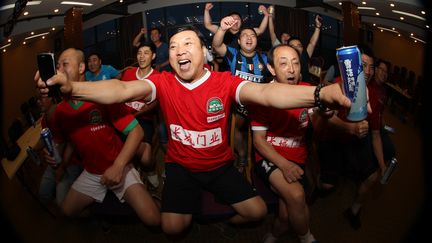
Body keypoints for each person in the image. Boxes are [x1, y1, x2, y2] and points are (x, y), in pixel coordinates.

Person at [37, 26, 351, 235]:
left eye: (187, 43)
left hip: (219, 166)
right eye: (173, 46)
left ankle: (220, 222)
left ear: (203, 52)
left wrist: (320, 94)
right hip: (180, 168)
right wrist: (72, 88)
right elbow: (119, 90)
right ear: (170, 58)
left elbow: (268, 94)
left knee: (255, 212)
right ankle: (187, 209)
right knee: (172, 227)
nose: (178, 49)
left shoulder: (224, 83)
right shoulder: (162, 82)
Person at [36, 48, 160, 227]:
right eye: (57, 66)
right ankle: (102, 215)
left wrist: (118, 166)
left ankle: (150, 197)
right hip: (92, 173)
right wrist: (52, 153)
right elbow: (62, 142)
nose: (60, 70)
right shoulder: (59, 112)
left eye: (65, 64)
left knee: (153, 220)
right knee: (67, 211)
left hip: (119, 166)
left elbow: (137, 132)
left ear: (81, 68)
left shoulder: (102, 97)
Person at [250, 45, 327, 243]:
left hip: (298, 157)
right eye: (283, 63)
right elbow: (258, 142)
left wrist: (324, 115)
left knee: (286, 215)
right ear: (272, 69)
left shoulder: (309, 92)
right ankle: (307, 238)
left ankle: (272, 235)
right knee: (296, 195)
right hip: (269, 156)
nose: (291, 69)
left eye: (295, 63)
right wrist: (284, 165)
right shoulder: (263, 95)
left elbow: (318, 130)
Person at [316, 45, 378, 230]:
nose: (367, 71)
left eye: (371, 67)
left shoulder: (371, 93)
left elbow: (374, 132)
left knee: (373, 176)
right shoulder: (337, 85)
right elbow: (327, 119)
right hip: (333, 139)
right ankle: (317, 183)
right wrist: (349, 128)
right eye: (363, 65)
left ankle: (354, 210)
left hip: (355, 142)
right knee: (327, 186)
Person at [212, 16, 270, 169]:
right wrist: (222, 29)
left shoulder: (265, 59)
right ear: (239, 41)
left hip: (259, 107)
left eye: (252, 35)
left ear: (257, 40)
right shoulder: (234, 55)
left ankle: (262, 160)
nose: (249, 38)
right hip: (239, 107)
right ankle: (243, 155)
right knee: (236, 123)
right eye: (245, 35)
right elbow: (217, 46)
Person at [122, 42, 161, 188]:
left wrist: (144, 110)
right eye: (139, 53)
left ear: (153, 56)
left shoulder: (158, 77)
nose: (142, 56)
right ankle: (131, 171)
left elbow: (159, 101)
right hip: (123, 119)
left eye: (146, 53)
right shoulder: (128, 74)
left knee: (145, 158)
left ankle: (150, 170)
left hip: (143, 119)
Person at [37, 96, 83, 207]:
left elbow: (71, 143)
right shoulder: (45, 119)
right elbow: (45, 139)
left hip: (71, 164)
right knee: (43, 195)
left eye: (41, 98)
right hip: (55, 164)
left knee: (63, 204)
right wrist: (32, 150)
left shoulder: (63, 114)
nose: (38, 102)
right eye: (36, 99)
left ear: (52, 98)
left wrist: (61, 169)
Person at [204, 2, 269, 48]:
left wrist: (266, 15)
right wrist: (206, 10)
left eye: (237, 19)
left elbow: (260, 30)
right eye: (232, 19)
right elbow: (208, 25)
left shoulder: (246, 32)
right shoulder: (222, 31)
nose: (235, 20)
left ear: (241, 22)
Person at [287, 15, 322, 83]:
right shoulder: (285, 60)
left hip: (306, 87)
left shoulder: (304, 55)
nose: (296, 48)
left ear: (302, 48)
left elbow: (312, 43)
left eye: (299, 46)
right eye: (293, 46)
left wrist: (317, 26)